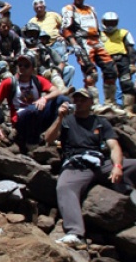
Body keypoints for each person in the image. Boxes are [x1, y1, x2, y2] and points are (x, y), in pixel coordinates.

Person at [44, 88, 136, 248]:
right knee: (65, 187)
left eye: (83, 99)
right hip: (76, 164)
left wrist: (117, 166)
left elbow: (114, 146)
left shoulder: (100, 122)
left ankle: (126, 189)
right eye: (76, 99)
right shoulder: (67, 120)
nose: (78, 102)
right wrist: (59, 118)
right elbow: (48, 138)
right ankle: (75, 233)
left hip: (99, 162)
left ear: (91, 102)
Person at [0, 53, 68, 151]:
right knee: (34, 110)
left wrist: (44, 98)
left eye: (26, 65)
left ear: (32, 68)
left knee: (63, 100)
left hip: (37, 115)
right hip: (20, 119)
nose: (22, 67)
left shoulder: (38, 80)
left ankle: (57, 136)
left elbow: (56, 91)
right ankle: (31, 143)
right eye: (20, 65)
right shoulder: (9, 82)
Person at [61, 0, 119, 111]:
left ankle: (111, 103)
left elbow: (97, 26)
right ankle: (93, 103)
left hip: (96, 40)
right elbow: (65, 28)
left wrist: (102, 39)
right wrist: (74, 43)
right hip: (82, 41)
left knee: (110, 70)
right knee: (91, 72)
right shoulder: (69, 8)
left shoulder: (91, 9)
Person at [100, 12, 135, 113]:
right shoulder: (100, 35)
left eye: (113, 23)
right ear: (103, 22)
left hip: (123, 59)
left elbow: (131, 49)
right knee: (109, 82)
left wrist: (132, 64)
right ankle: (110, 105)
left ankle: (128, 109)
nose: (110, 25)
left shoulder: (124, 33)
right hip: (107, 60)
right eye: (108, 23)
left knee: (126, 83)